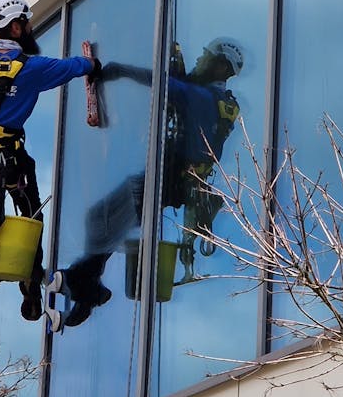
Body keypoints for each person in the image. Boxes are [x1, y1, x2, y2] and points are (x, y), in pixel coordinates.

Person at [53, 36, 243, 328]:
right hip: (177, 181)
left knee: (100, 219)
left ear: (219, 66)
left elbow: (171, 87)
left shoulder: (204, 98)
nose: (199, 60)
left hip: (169, 181)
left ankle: (83, 283)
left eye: (206, 57)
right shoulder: (217, 100)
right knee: (109, 225)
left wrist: (121, 70)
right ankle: (90, 291)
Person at [0, 0, 101, 321]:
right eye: (25, 25)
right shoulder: (33, 69)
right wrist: (93, 64)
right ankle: (30, 286)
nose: (30, 30)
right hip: (11, 159)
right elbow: (72, 67)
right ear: (15, 28)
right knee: (31, 216)